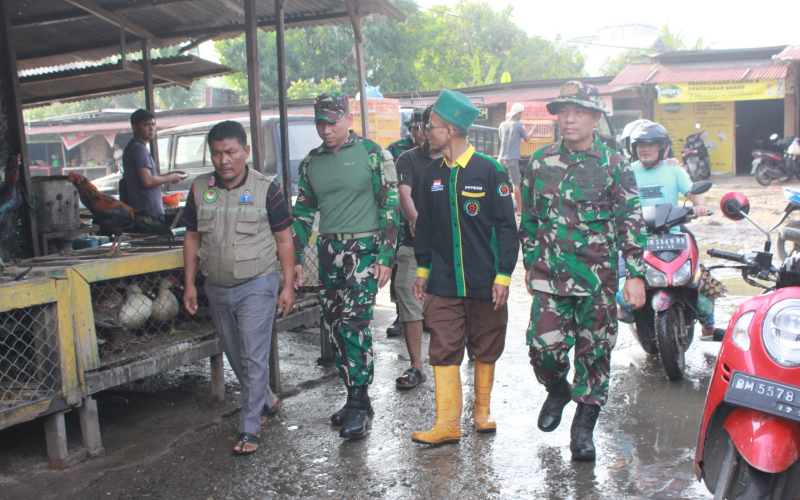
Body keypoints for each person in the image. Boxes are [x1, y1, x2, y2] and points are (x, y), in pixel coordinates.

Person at [519, 81, 647, 461]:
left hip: (597, 281)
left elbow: (630, 220)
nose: (569, 119)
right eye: (563, 112)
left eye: (577, 112)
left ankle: (583, 427)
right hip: (549, 276)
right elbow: (529, 219)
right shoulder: (539, 161)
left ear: (594, 117)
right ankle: (557, 390)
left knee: (596, 354)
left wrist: (635, 273)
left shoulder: (614, 164)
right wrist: (529, 262)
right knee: (543, 350)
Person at [181, 120, 295, 455]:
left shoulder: (267, 189)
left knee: (253, 355)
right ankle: (266, 398)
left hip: (257, 283)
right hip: (216, 286)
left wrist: (288, 285)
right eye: (216, 153)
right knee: (235, 353)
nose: (223, 160)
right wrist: (189, 284)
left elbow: (285, 240)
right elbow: (191, 238)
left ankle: (250, 428)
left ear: (245, 151)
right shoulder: (199, 189)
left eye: (230, 152)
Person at [412, 90, 519, 445]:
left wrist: (503, 275)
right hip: (443, 281)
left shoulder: (490, 171)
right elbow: (425, 225)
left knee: (487, 341)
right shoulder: (432, 172)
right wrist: (423, 270)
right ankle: (446, 424)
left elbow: (507, 228)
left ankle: (481, 410)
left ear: (451, 130)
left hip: (484, 279)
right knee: (442, 345)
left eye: (432, 126)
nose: (427, 132)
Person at [292, 92, 399, 440]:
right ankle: (358, 396)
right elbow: (302, 214)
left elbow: (390, 206)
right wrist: (293, 257)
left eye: (332, 121)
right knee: (334, 324)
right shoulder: (311, 163)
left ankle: (356, 402)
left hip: (363, 250)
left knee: (354, 323)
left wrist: (386, 256)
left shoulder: (372, 154)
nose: (326, 130)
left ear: (348, 118)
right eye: (320, 123)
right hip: (328, 251)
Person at [627, 122, 724, 339]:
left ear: (662, 148)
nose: (645, 149)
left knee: (700, 276)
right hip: (638, 234)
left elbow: (694, 193)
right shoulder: (628, 171)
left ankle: (708, 327)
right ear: (634, 148)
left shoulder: (674, 169)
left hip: (673, 230)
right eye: (641, 145)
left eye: (652, 144)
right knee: (616, 275)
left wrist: (700, 205)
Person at [393, 106, 438, 390]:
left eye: (432, 126)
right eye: (423, 126)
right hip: (414, 244)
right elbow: (403, 193)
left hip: (453, 248)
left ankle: (465, 354)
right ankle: (417, 365)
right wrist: (415, 220)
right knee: (408, 295)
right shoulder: (408, 158)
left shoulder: (460, 160)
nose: (426, 132)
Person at [386, 109, 426, 337]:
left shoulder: (438, 150)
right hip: (401, 218)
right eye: (417, 128)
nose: (422, 133)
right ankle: (401, 314)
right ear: (410, 129)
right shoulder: (396, 150)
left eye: (425, 128)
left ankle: (425, 314)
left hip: (426, 216)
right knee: (400, 268)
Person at [122, 109, 184, 224]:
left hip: (142, 211)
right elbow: (148, 181)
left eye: (153, 124)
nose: (151, 128)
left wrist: (171, 175)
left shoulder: (133, 147)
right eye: (146, 125)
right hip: (148, 212)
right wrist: (171, 178)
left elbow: (146, 177)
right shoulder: (139, 149)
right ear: (135, 127)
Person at [498, 102, 533, 215]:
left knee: (501, 185)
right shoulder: (519, 125)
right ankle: (519, 210)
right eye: (521, 113)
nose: (522, 115)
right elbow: (526, 139)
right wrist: (533, 130)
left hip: (501, 158)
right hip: (512, 159)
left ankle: (500, 208)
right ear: (517, 114)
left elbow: (501, 138)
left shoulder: (502, 124)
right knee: (515, 184)